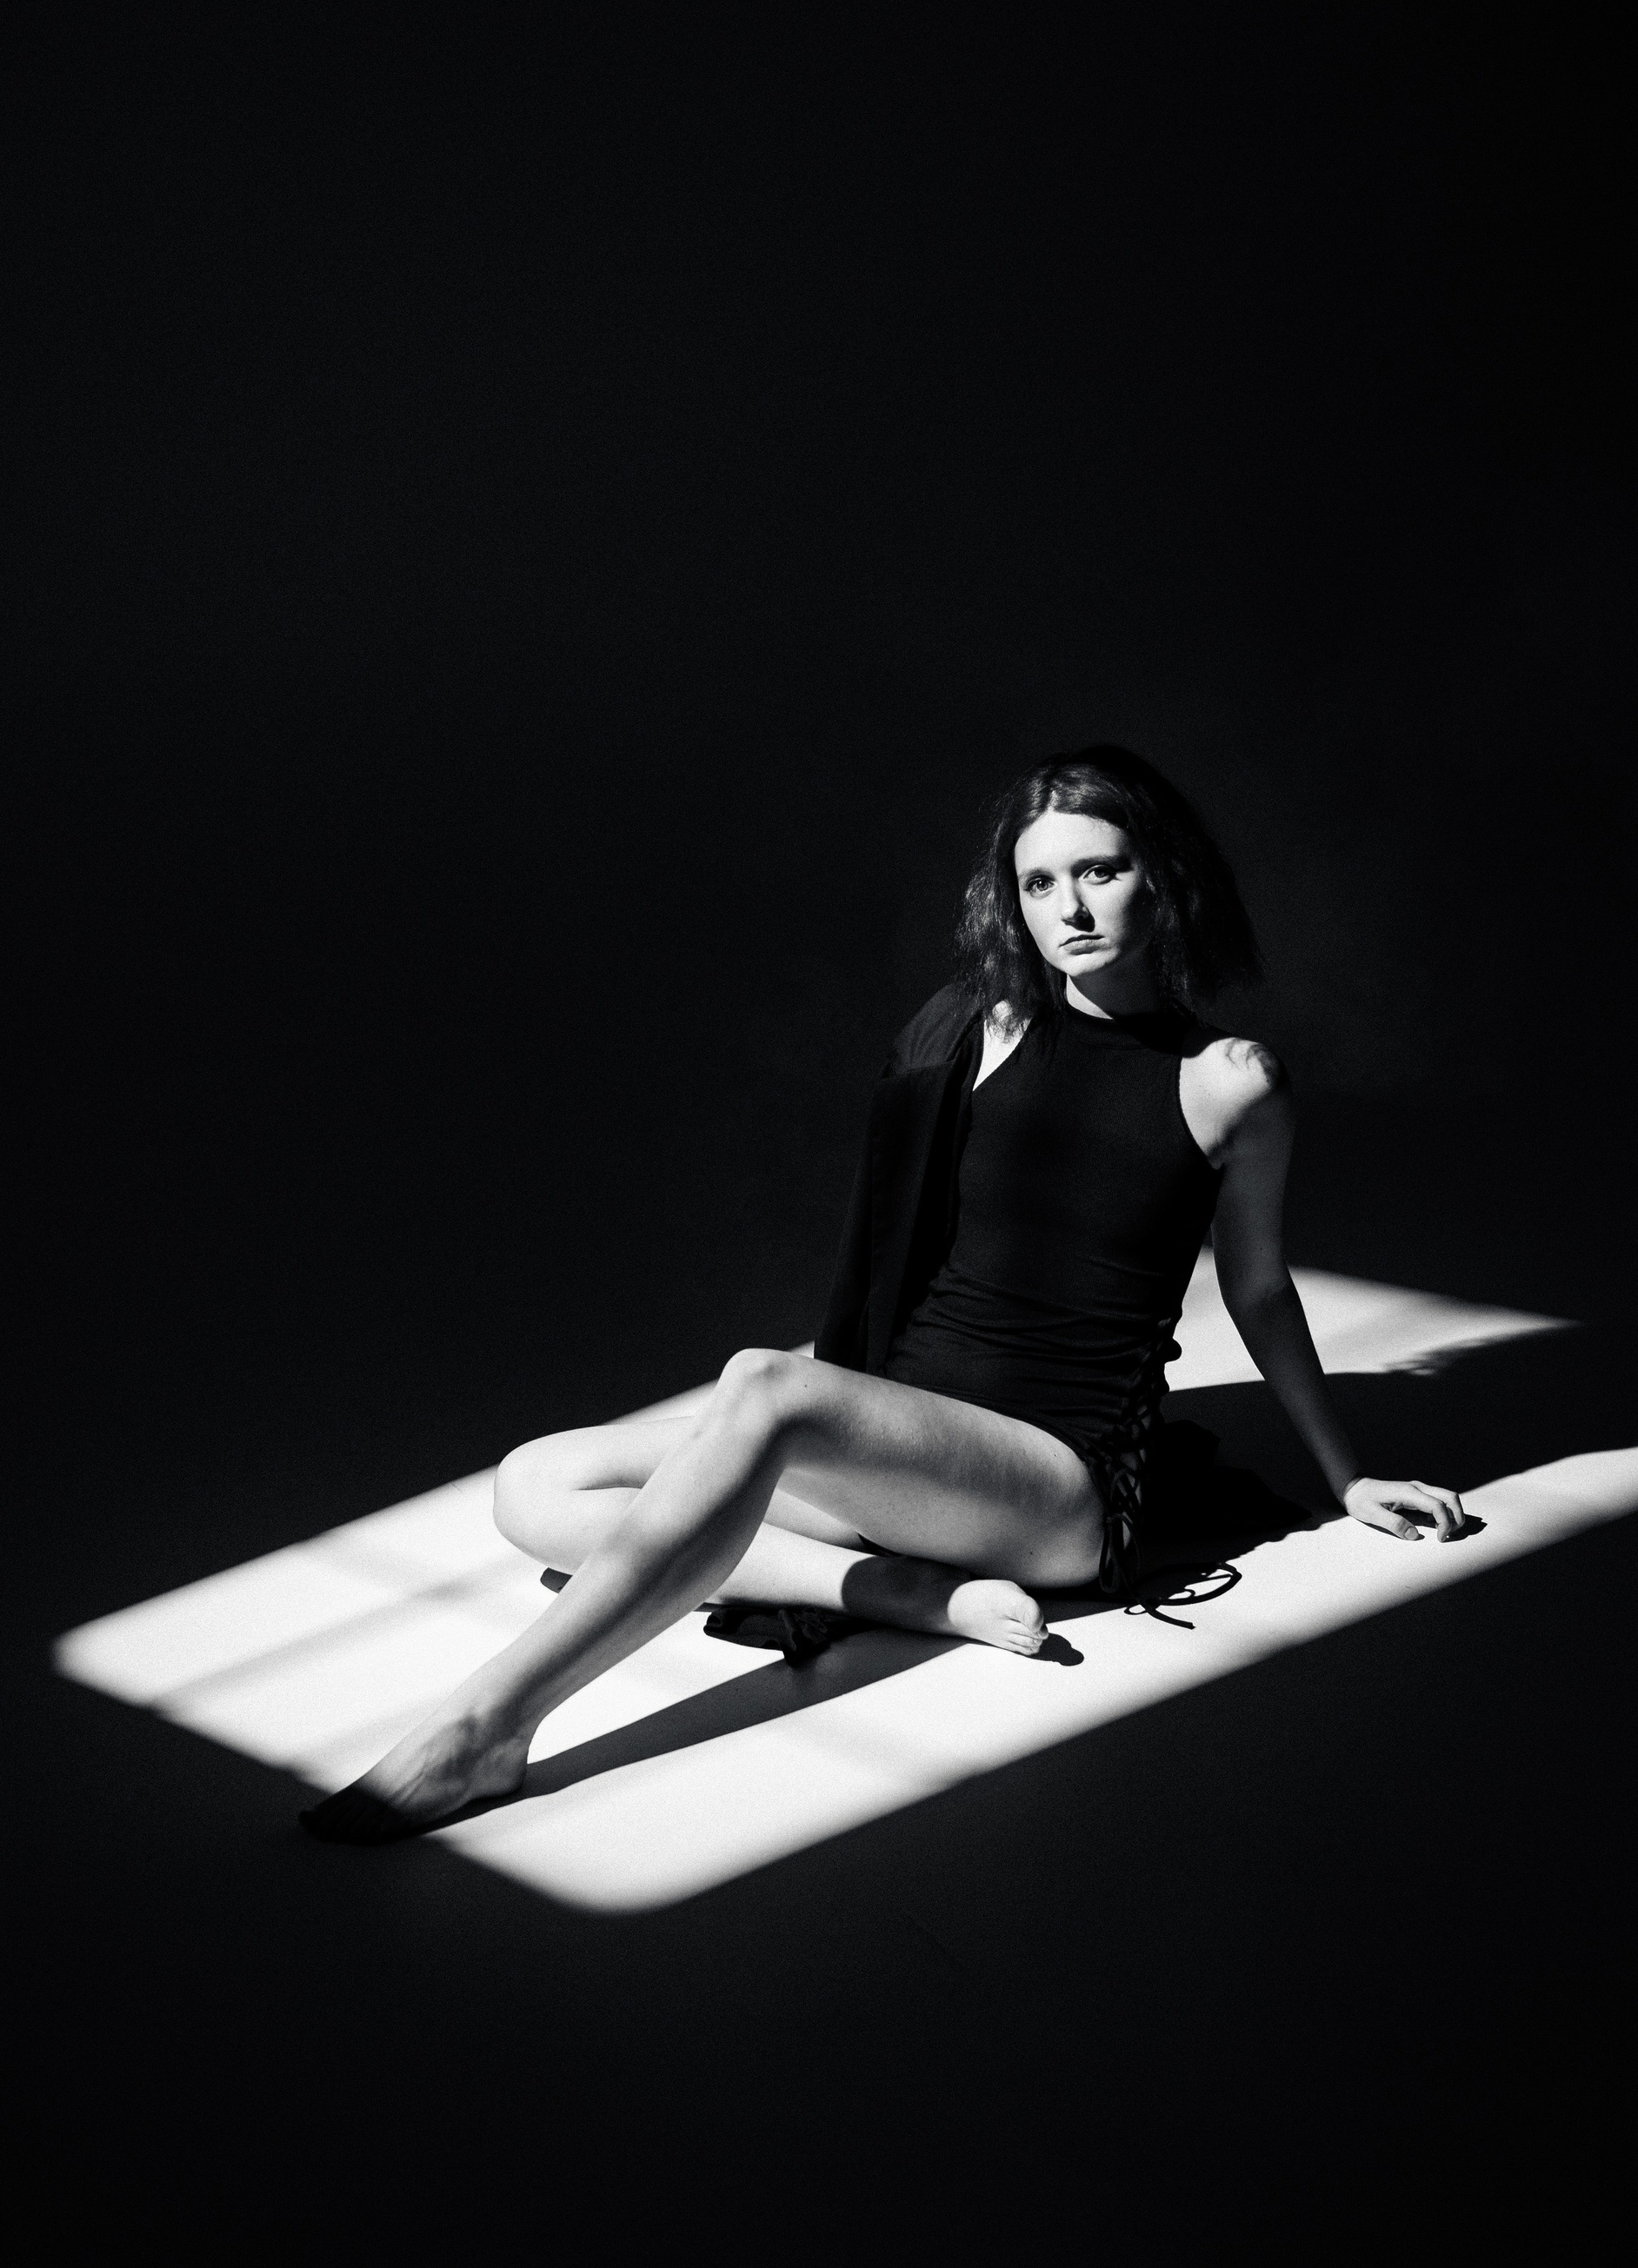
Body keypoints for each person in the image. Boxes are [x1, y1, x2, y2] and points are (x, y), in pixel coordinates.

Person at [303, 746, 1464, 1844]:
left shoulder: (1231, 1081)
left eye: (1100, 871)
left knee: (763, 1386)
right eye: (1040, 882)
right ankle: (907, 1594)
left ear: (1163, 876)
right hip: (906, 1444)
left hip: (1054, 1484)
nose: (1069, 909)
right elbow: (904, 1242)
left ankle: (488, 1726)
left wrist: (1347, 1475)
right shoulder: (987, 1030)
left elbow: (1259, 1289)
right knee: (535, 1481)